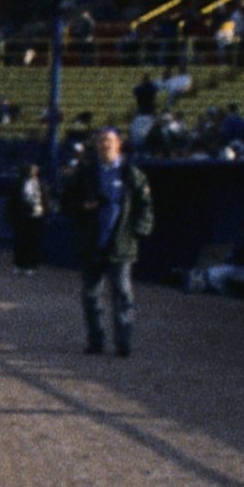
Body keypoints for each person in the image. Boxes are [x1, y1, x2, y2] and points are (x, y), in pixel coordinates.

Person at [76, 121, 151, 354]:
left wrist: (138, 230)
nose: (105, 145)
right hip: (93, 243)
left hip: (120, 244)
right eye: (100, 141)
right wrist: (82, 206)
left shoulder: (131, 173)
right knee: (91, 294)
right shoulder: (86, 174)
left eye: (109, 141)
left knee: (122, 293)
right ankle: (96, 340)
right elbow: (67, 202)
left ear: (118, 144)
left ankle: (123, 342)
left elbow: (145, 205)